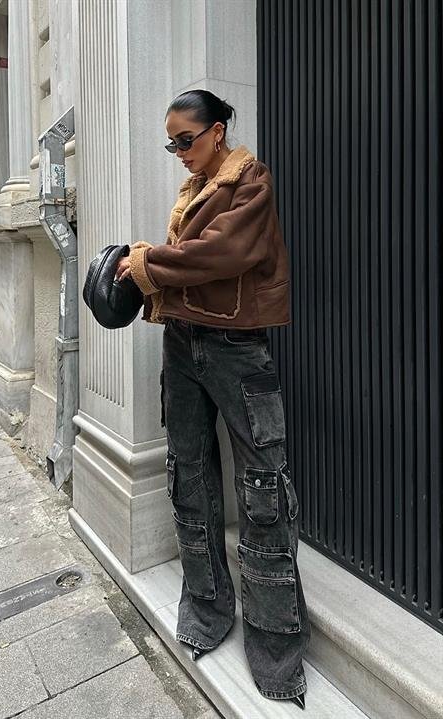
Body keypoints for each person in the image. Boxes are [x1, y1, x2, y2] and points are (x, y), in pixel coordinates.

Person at [115, 89, 311, 709]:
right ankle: (205, 610)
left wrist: (147, 264)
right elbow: (190, 264)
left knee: (263, 491)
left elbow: (224, 253)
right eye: (171, 143)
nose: (178, 151)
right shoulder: (197, 187)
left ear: (217, 132)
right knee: (188, 476)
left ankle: (276, 649)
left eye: (186, 139)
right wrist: (144, 274)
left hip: (236, 349)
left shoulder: (249, 182)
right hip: (182, 342)